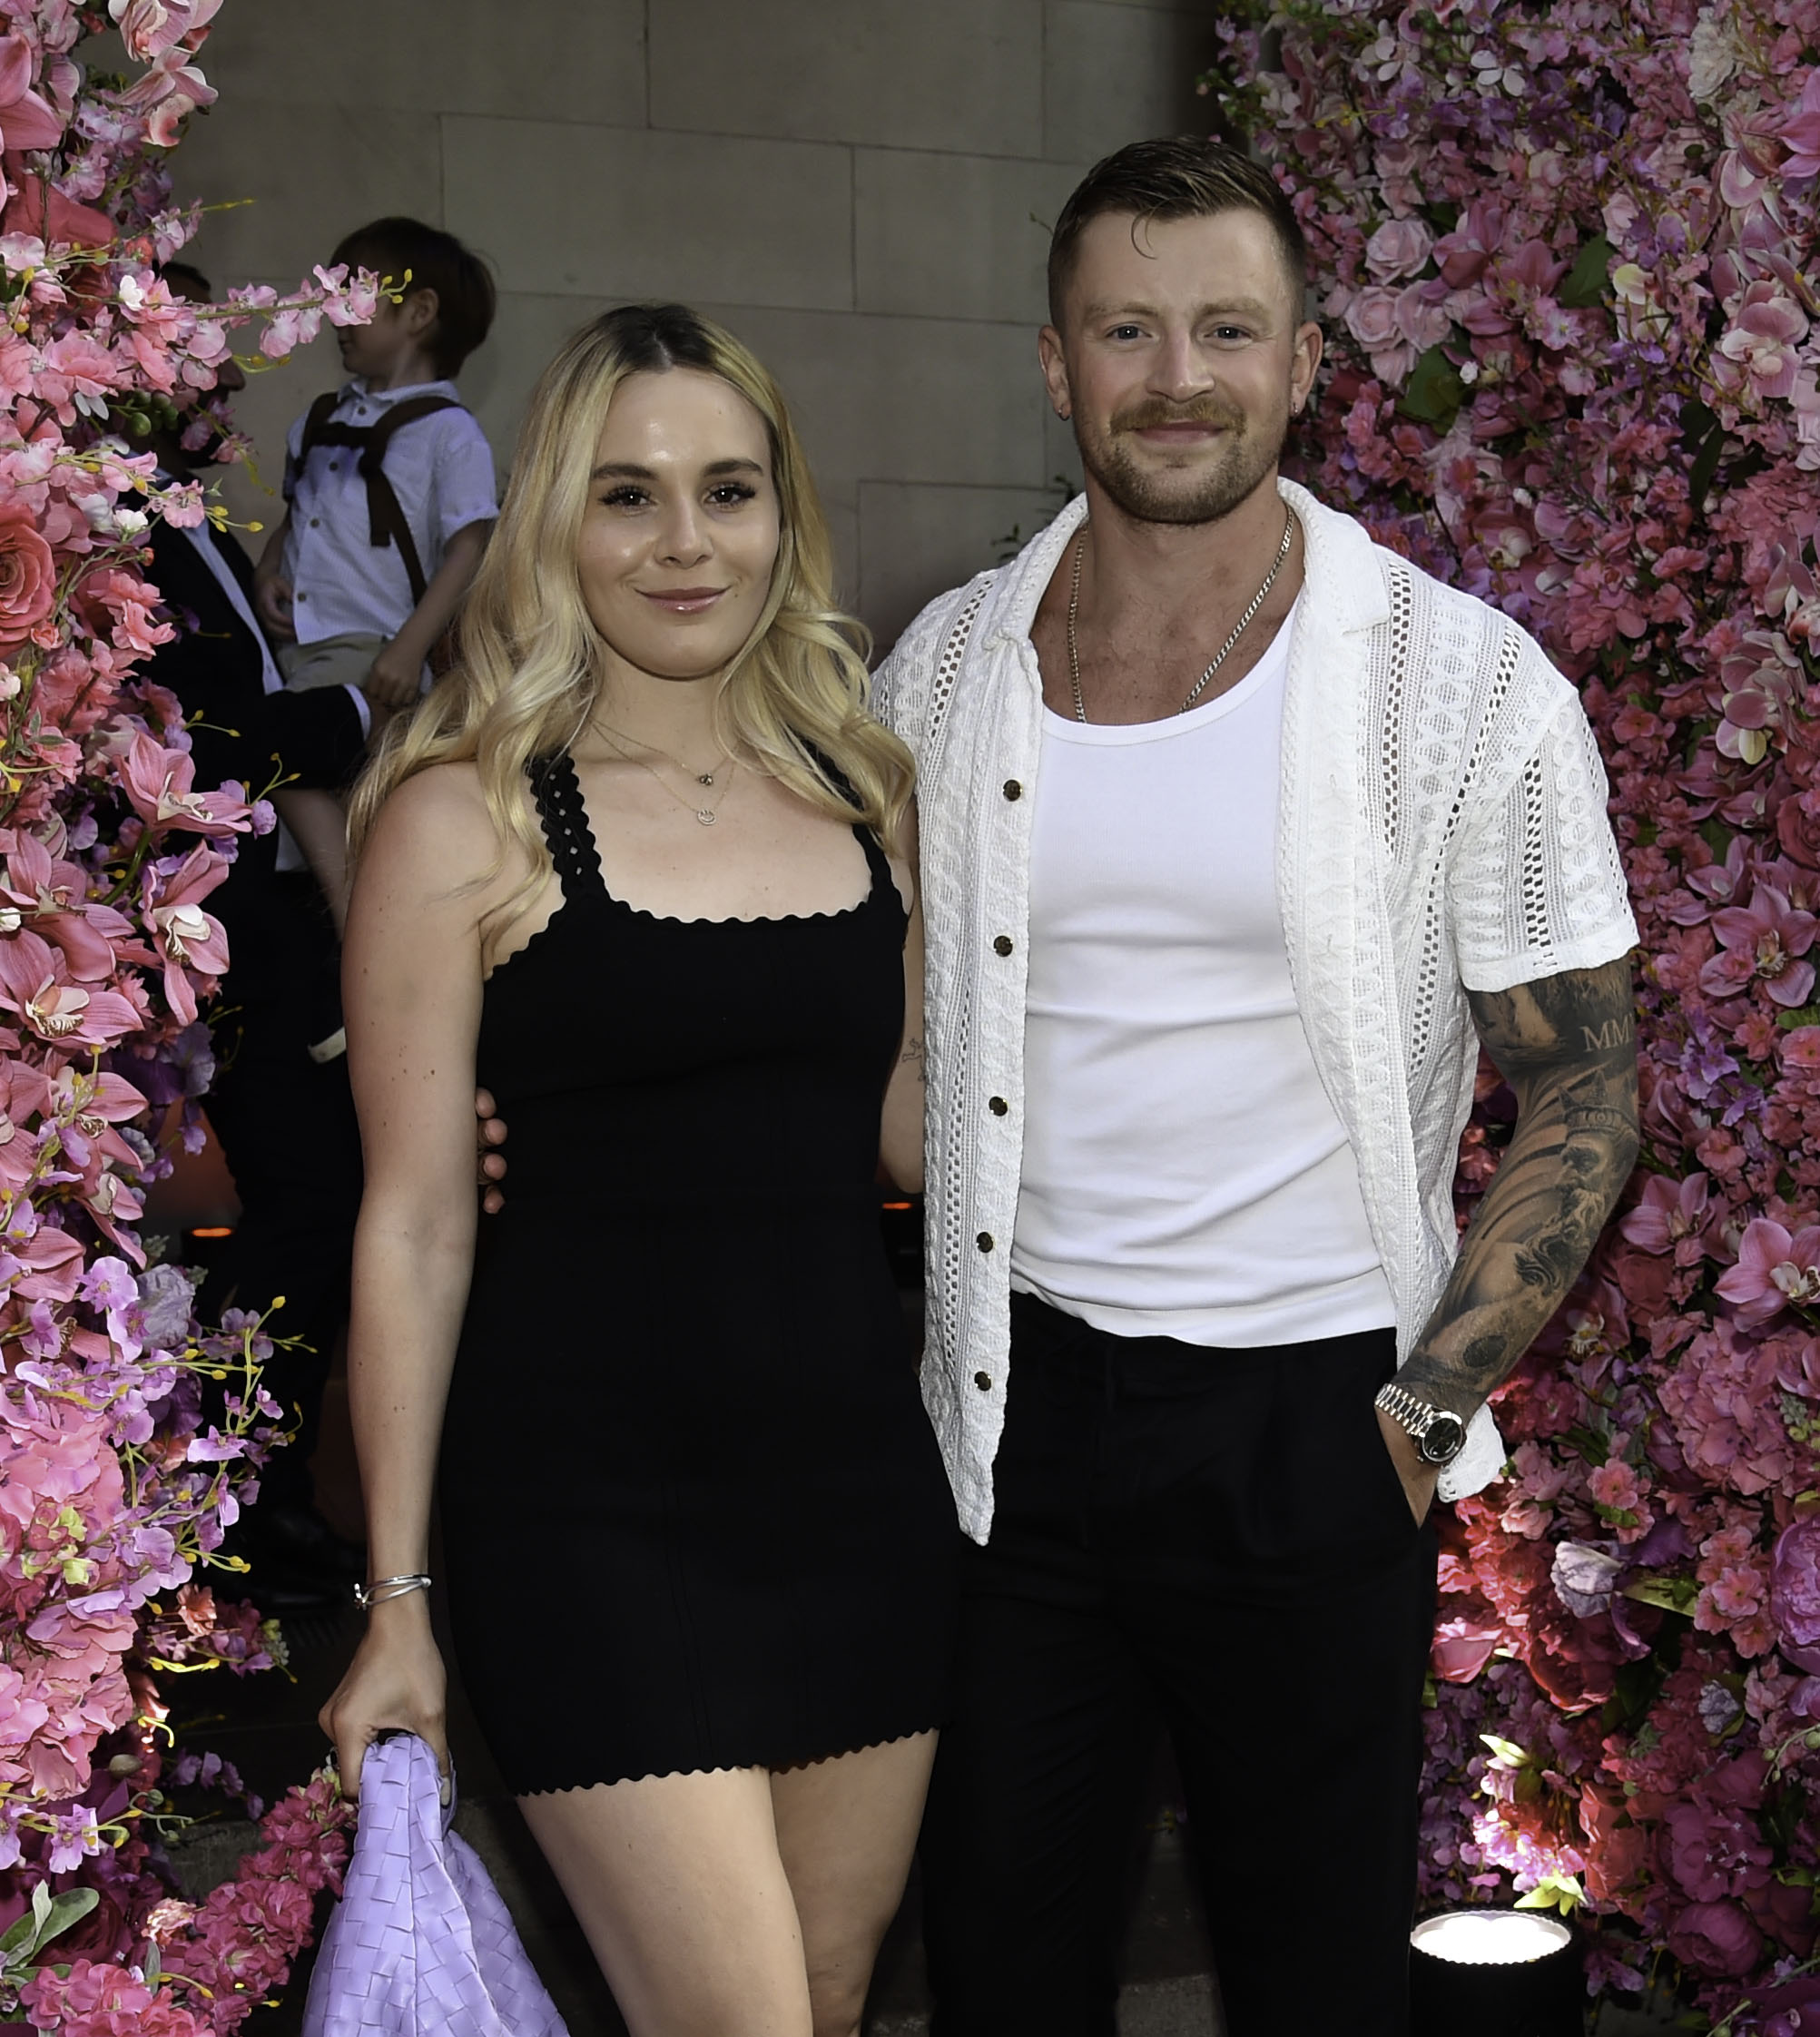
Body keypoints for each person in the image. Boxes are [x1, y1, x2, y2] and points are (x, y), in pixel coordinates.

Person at [864, 137, 1641, 2035]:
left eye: (1226, 327)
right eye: (1128, 328)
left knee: (1309, 1981)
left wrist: (1412, 1413)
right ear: (1057, 364)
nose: (1177, 374)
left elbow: (1589, 1086)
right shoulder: (942, 672)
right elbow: (861, 1033)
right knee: (1001, 1966)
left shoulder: (1461, 687)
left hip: (1310, 1424)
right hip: (1007, 1417)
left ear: (1305, 364)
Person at [320, 303, 959, 2037]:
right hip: (591, 1519)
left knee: (824, 2001)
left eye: (728, 489)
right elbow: (416, 1220)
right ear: (553, 523)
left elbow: (915, 1124)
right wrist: (397, 1601)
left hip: (855, 1493)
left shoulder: (867, 784)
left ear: (783, 515)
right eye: (628, 495)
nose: (686, 541)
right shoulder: (465, 813)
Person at [140, 261, 388, 1608]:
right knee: (310, 1198)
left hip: (253, 901)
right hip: (200, 914)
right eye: (197, 361)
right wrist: (361, 716)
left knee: (318, 1197)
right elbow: (206, 737)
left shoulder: (199, 531)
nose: (223, 386)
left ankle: (253, 1492)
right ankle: (242, 1503)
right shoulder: (121, 535)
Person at [253, 216, 499, 930]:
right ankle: (355, 919)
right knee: (311, 787)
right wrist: (270, 568)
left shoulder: (448, 433)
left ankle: (355, 918)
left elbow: (470, 547)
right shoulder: (320, 417)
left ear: (418, 312)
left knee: (287, 757)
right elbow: (299, 516)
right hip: (295, 642)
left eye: (354, 293)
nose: (334, 310)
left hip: (369, 647)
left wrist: (408, 647)